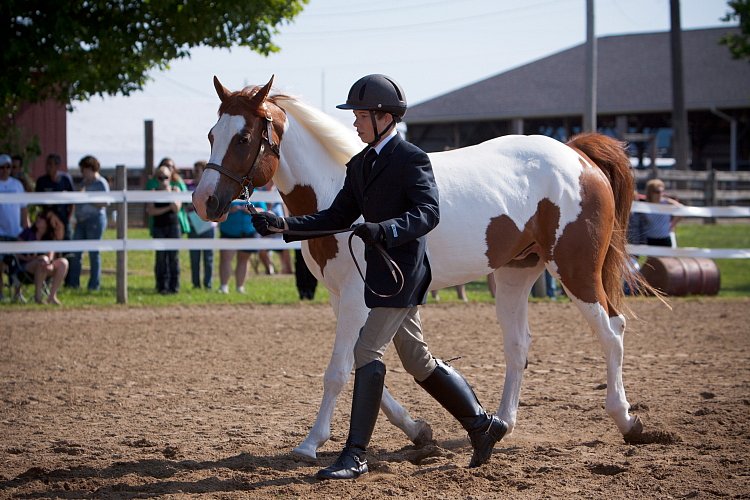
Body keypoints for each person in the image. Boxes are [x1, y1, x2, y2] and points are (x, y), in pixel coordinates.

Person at [252, 74, 507, 480]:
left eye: (361, 115)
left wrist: (384, 229)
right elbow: (334, 217)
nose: (354, 123)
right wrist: (283, 225)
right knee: (418, 360)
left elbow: (428, 213)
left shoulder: (412, 160)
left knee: (366, 351)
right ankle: (482, 424)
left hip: (402, 272)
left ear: (385, 117)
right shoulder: (361, 164)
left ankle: (355, 455)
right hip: (378, 275)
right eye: (355, 115)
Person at [67, 155, 110, 291]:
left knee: (93, 253)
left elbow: (105, 203)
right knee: (75, 253)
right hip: (81, 221)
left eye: (84, 170)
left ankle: (94, 285)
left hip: (95, 221)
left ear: (91, 168)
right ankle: (73, 284)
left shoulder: (101, 183)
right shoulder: (84, 183)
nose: (82, 173)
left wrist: (88, 198)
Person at [14, 209, 69, 305]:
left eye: (41, 218)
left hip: (46, 264)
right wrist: (28, 258)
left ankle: (52, 296)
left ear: (47, 223)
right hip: (26, 266)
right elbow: (15, 251)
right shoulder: (27, 233)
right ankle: (38, 297)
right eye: (37, 218)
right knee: (42, 261)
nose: (38, 220)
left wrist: (48, 261)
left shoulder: (50, 236)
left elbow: (50, 255)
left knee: (63, 262)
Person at [217, 199, 267, 294]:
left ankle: (240, 287)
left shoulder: (254, 192)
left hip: (248, 231)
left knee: (243, 260)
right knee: (225, 259)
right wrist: (229, 210)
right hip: (229, 231)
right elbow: (217, 209)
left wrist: (251, 210)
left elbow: (263, 209)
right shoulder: (227, 191)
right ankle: (223, 287)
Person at [146, 166, 182, 294]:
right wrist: (167, 208)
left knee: (174, 258)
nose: (163, 180)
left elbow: (176, 208)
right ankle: (161, 286)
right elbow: (151, 211)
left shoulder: (175, 189)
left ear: (170, 177)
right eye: (160, 177)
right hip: (159, 227)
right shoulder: (153, 192)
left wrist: (169, 195)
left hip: (173, 226)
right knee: (161, 258)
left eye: (165, 177)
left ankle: (174, 286)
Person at [0, 154, 30, 300]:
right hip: (1, 233)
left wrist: (26, 230)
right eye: (2, 167)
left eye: (8, 167)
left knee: (17, 264)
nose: (5, 170)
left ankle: (17, 294)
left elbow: (24, 210)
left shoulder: (17, 185)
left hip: (16, 232)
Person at [187, 160, 215, 289]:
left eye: (198, 170)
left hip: (207, 224)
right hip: (193, 223)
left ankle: (208, 283)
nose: (195, 173)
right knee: (194, 256)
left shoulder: (211, 186)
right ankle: (196, 283)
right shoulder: (188, 186)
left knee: (208, 256)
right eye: (195, 170)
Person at [35, 153, 75, 242]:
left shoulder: (65, 179)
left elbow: (72, 200)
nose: (47, 167)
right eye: (47, 164)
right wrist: (48, 214)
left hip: (64, 217)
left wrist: (68, 217)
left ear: (57, 166)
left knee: (67, 243)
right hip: (48, 218)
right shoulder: (41, 181)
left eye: (50, 164)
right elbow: (38, 201)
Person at [643, 178, 683, 247]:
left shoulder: (666, 202)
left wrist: (672, 225)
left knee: (666, 258)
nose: (660, 194)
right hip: (650, 238)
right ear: (650, 192)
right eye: (657, 192)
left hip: (665, 238)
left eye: (662, 191)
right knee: (651, 258)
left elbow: (681, 209)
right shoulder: (645, 205)